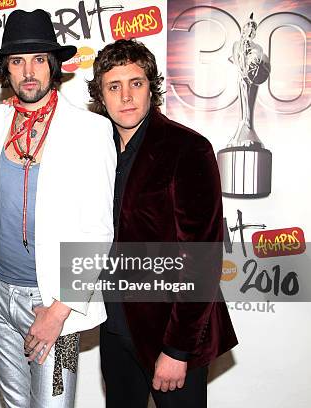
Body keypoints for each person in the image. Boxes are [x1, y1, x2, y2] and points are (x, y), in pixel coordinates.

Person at [88, 39, 238, 408]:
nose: (125, 96)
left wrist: (177, 349)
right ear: (100, 95)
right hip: (114, 328)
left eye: (135, 83)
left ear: (151, 88)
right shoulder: (96, 151)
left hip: (171, 332)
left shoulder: (187, 149)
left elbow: (202, 260)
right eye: (114, 86)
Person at [0, 9, 116, 407]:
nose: (28, 71)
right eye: (17, 61)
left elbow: (99, 231)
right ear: (6, 69)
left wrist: (58, 312)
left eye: (39, 59)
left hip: (56, 303)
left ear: (54, 65)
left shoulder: (90, 130)